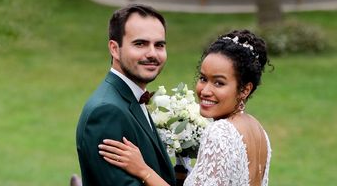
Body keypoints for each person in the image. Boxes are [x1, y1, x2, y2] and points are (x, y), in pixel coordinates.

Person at [99, 29, 272, 186]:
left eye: (219, 83)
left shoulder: (220, 132)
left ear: (245, 89)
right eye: (203, 79)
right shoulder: (258, 131)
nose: (205, 91)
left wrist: (142, 169)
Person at [76, 4, 176, 186]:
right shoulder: (106, 112)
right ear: (114, 49)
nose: (152, 53)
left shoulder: (130, 97)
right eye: (140, 44)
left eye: (159, 45)